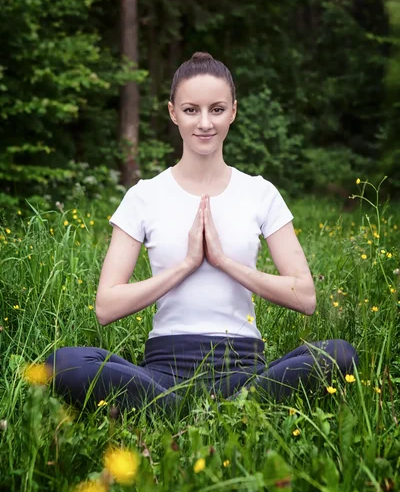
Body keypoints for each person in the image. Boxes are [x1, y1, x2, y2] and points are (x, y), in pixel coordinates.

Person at [45, 52, 359, 415]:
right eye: (192, 109)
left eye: (217, 109)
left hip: (243, 368)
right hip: (163, 370)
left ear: (233, 112)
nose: (205, 123)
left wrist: (224, 262)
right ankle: (217, 409)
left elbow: (305, 297)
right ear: (173, 112)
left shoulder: (260, 193)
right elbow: (106, 306)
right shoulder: (144, 196)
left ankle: (187, 408)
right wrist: (187, 264)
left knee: (338, 354)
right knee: (63, 363)